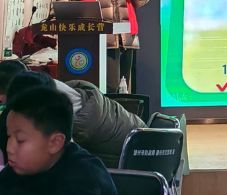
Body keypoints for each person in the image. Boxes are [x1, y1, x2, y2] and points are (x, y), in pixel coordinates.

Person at [0, 86, 121, 195]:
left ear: (55, 143)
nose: (9, 148)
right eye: (9, 136)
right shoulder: (20, 167)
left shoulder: (87, 179)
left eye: (20, 140)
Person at [0, 66, 145, 168]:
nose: (10, 148)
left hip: (133, 151)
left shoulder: (49, 106)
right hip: (135, 139)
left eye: (20, 140)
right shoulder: (47, 87)